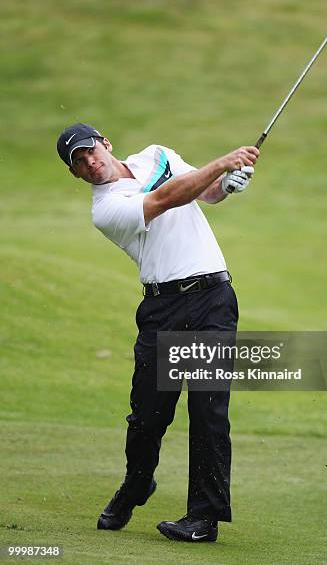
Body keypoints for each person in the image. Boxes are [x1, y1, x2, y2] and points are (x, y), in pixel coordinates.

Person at [56, 123, 259, 542]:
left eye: (90, 151)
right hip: (163, 308)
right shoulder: (107, 209)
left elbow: (205, 193)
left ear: (105, 143)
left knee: (209, 413)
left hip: (213, 300)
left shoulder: (157, 155)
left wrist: (227, 183)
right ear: (75, 174)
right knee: (149, 416)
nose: (89, 163)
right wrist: (222, 162)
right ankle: (137, 483)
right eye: (78, 163)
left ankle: (203, 519)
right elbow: (169, 197)